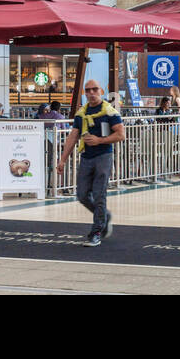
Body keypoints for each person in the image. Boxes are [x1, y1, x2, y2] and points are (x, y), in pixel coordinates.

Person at [56, 79, 123, 246]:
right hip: (86, 157)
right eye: (88, 90)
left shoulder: (110, 111)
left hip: (103, 157)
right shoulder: (82, 113)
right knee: (82, 195)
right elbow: (73, 136)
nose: (91, 93)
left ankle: (96, 231)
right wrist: (62, 159)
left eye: (94, 89)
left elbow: (121, 135)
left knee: (99, 195)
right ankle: (104, 217)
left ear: (101, 90)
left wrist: (100, 140)